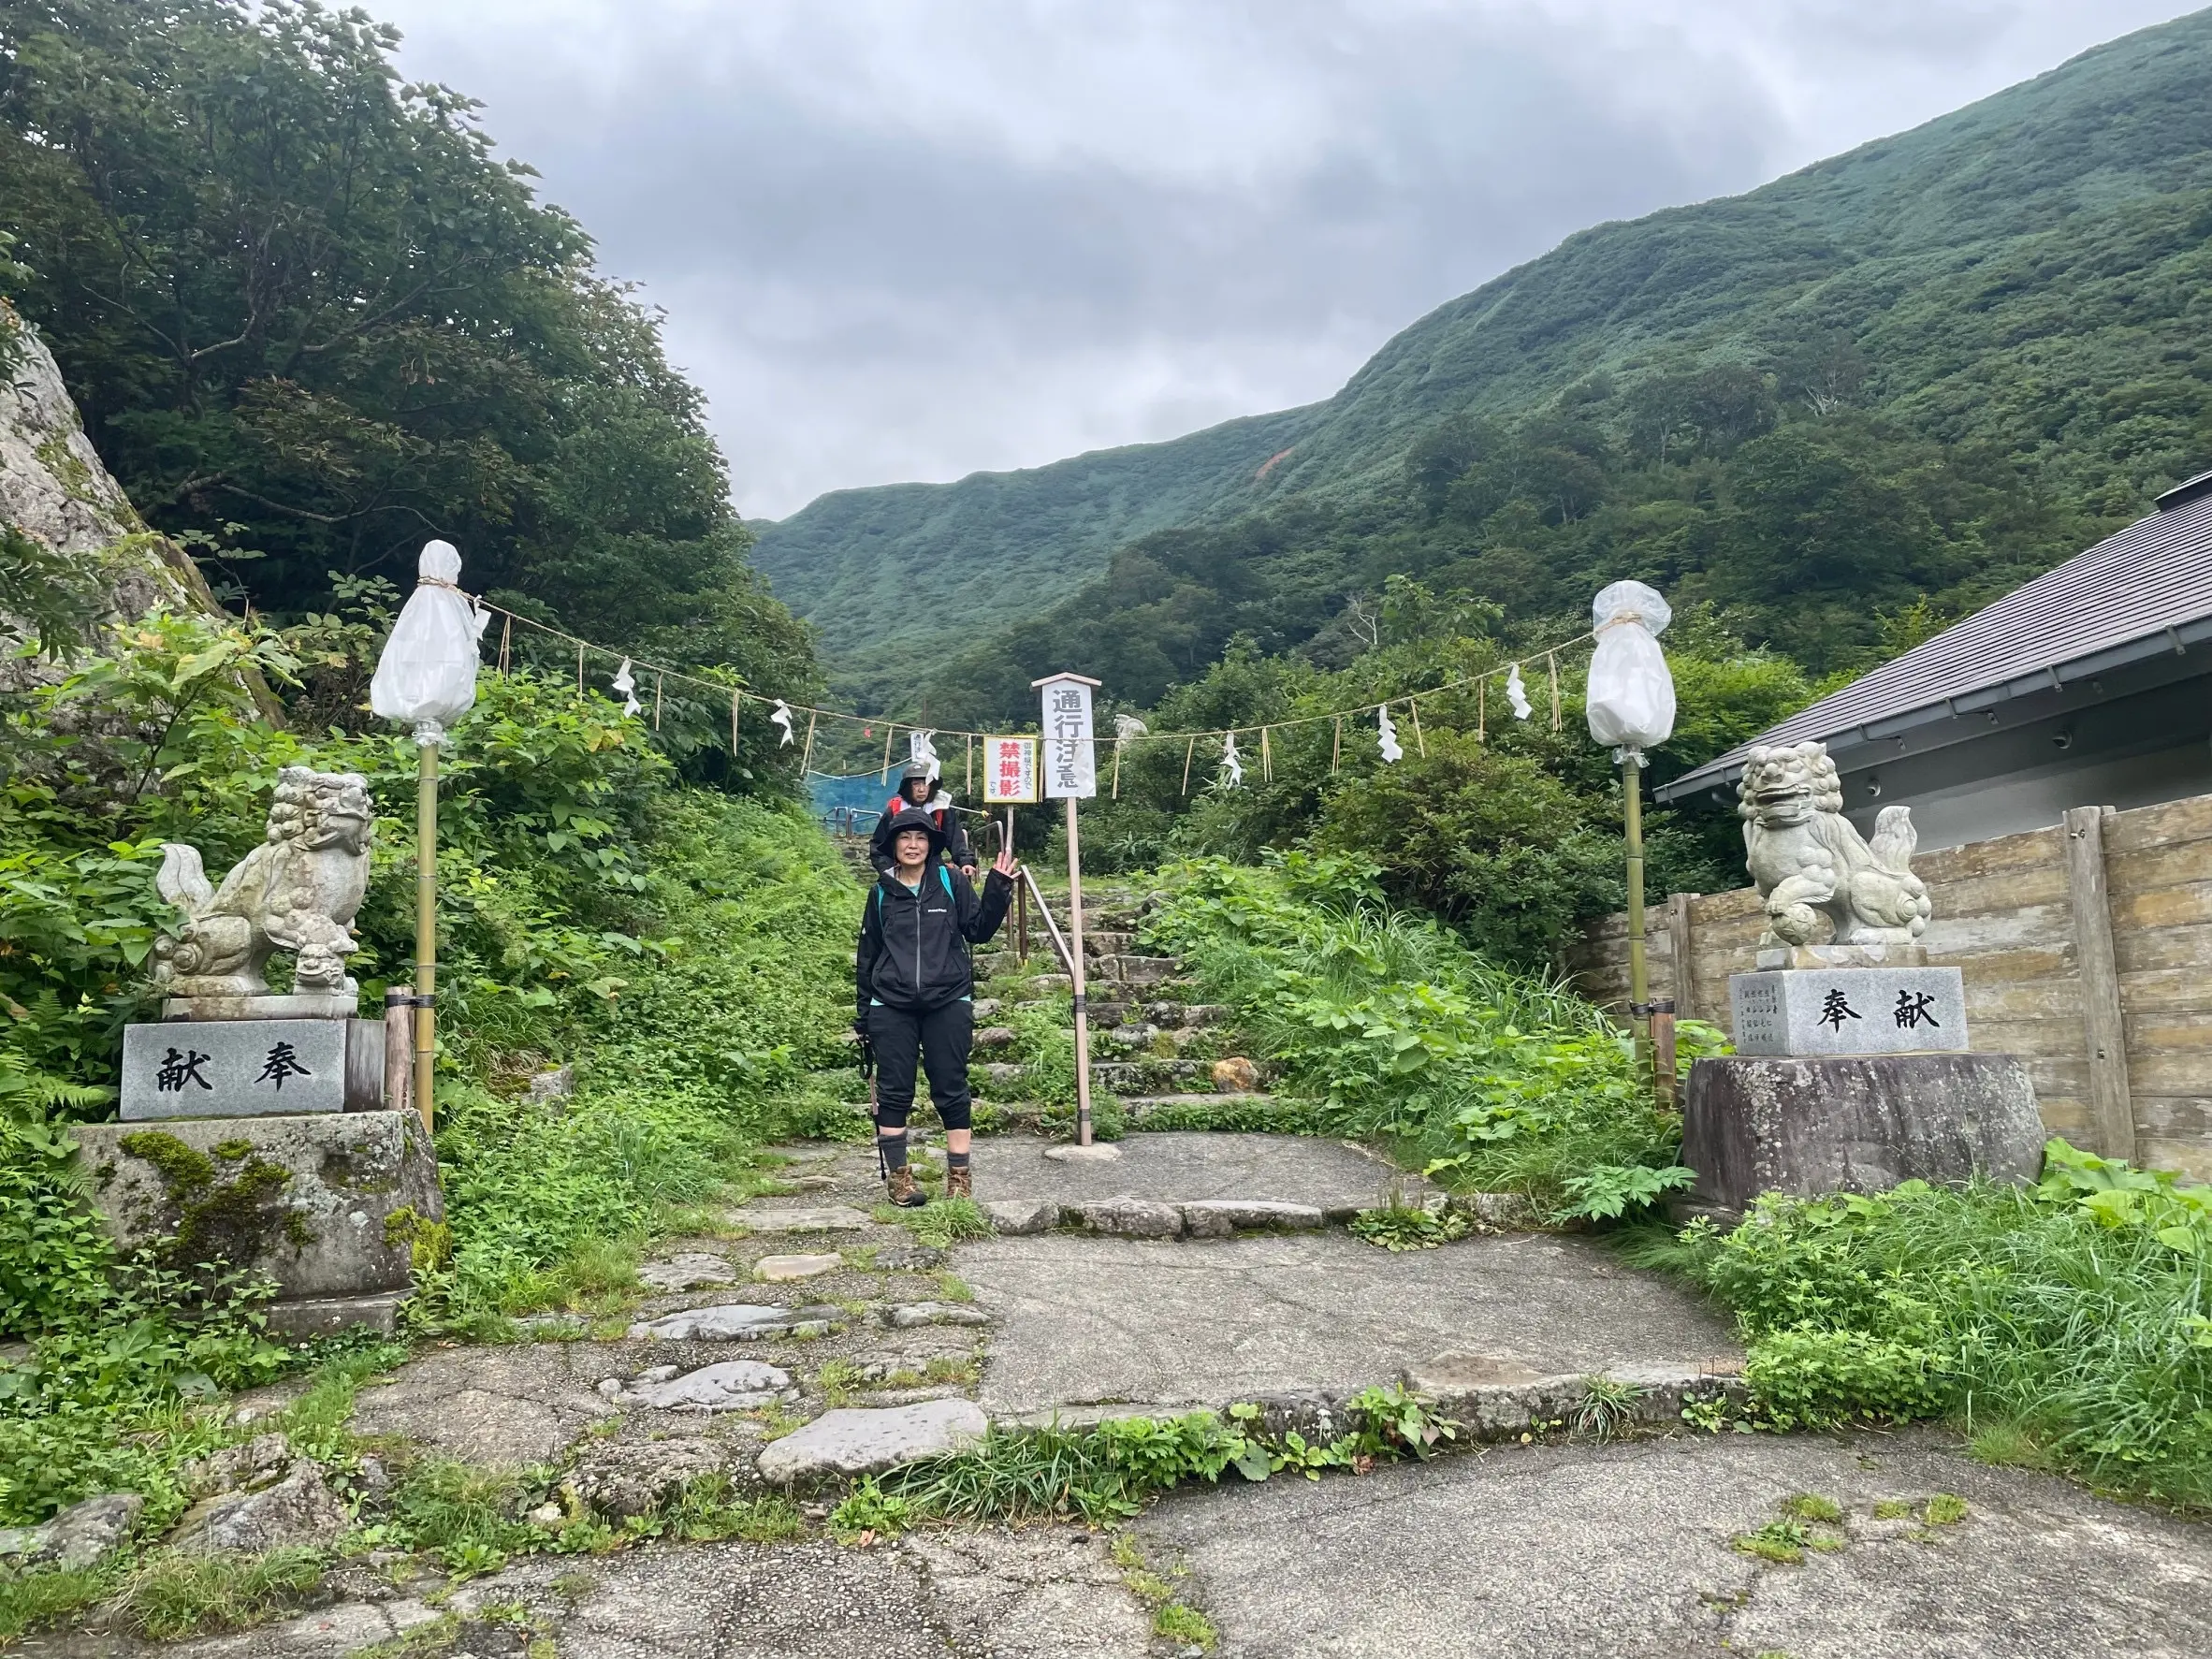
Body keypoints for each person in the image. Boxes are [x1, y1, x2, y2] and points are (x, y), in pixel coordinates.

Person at [854, 807, 1016, 1205]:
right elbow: (867, 957)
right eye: (905, 838)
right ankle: (899, 1180)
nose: (913, 844)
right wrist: (864, 1016)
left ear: (932, 845)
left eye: (921, 838)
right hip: (890, 1004)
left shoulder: (949, 882)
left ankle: (959, 1178)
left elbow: (978, 931)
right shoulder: (880, 893)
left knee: (951, 1087)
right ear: (893, 845)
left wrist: (997, 888)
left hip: (949, 999)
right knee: (894, 1092)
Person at [868, 758, 978, 878]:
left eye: (926, 783)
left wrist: (965, 862)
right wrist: (888, 871)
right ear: (907, 787)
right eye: (916, 784)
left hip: (934, 869)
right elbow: (878, 846)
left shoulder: (941, 809)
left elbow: (956, 840)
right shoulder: (894, 810)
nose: (921, 789)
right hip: (901, 871)